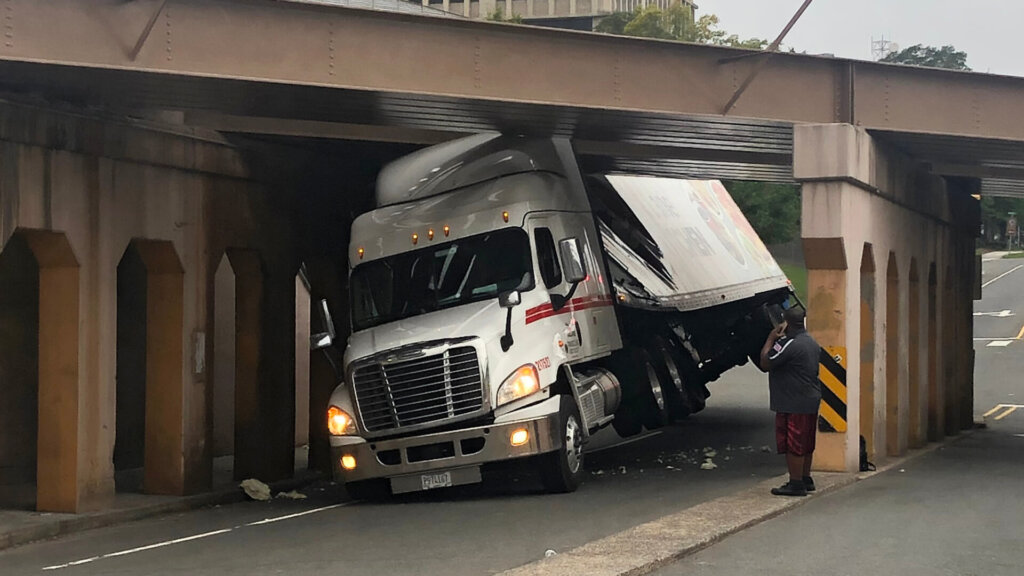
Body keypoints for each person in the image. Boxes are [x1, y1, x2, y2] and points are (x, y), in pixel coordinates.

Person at [759, 307, 821, 497]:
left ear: (785, 323)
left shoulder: (788, 343)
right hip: (809, 399)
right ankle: (805, 478)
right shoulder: (811, 342)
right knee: (806, 441)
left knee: (793, 443)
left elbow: (765, 363)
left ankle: (795, 483)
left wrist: (771, 338)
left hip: (792, 401)